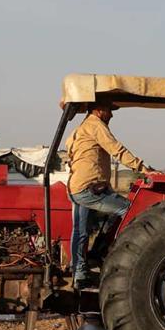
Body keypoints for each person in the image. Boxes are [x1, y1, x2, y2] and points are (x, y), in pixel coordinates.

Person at [65, 102, 152, 289]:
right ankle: (101, 251)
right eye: (109, 110)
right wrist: (144, 169)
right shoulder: (96, 126)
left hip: (78, 187)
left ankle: (79, 272)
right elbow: (117, 150)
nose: (111, 115)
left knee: (80, 231)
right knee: (129, 210)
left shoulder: (79, 129)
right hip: (88, 188)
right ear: (98, 110)